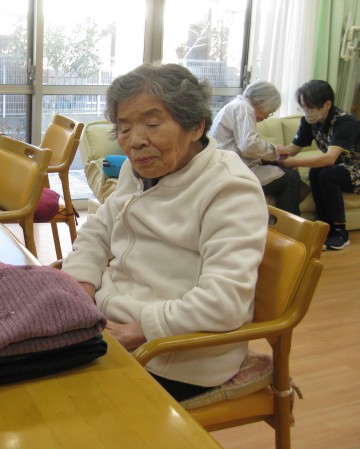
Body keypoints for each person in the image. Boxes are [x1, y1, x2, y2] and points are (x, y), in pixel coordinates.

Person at [61, 63, 268, 402]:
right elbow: (98, 230)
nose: (135, 141)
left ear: (196, 126)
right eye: (124, 128)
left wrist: (138, 330)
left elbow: (224, 302)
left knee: (54, 403)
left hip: (174, 354)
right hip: (108, 323)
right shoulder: (137, 171)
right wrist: (81, 286)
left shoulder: (229, 189)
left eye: (153, 125)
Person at [278, 80, 360, 250]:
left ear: (327, 104)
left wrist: (293, 162)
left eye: (310, 108)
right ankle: (325, 226)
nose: (306, 112)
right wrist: (273, 151)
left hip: (356, 168)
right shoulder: (309, 122)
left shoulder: (345, 123)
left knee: (328, 174)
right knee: (316, 172)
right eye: (303, 107)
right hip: (341, 167)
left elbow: (330, 158)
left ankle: (340, 232)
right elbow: (293, 149)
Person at [209, 81, 303, 215]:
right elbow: (249, 146)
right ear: (261, 103)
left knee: (285, 167)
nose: (266, 117)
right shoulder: (244, 108)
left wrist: (274, 154)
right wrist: (275, 151)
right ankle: (288, 225)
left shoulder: (236, 105)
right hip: (233, 172)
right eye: (269, 112)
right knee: (291, 178)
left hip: (228, 166)